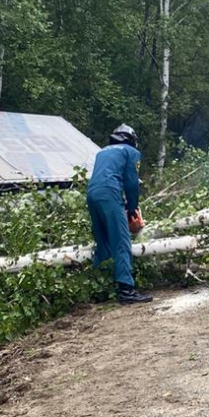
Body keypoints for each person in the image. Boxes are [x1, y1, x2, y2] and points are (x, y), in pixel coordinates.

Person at [87, 124, 152, 304]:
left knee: (103, 240)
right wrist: (132, 209)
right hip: (109, 193)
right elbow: (131, 183)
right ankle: (127, 290)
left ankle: (100, 286)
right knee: (121, 241)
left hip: (92, 193)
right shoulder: (131, 152)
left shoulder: (102, 152)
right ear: (131, 139)